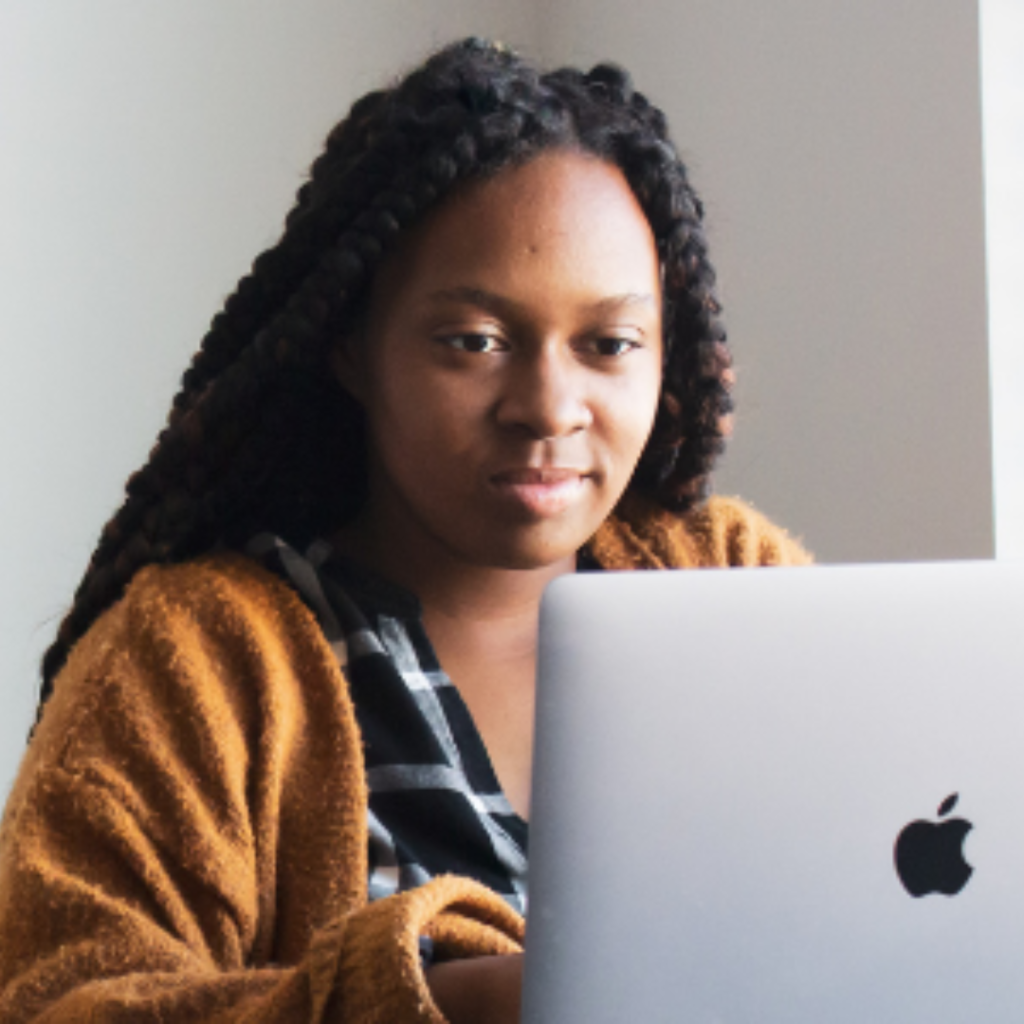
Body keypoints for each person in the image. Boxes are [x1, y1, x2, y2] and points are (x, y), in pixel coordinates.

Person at [0, 37, 810, 1024]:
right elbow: (60, 1003)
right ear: (352, 345)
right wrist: (455, 1004)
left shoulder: (735, 586)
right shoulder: (193, 657)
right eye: (474, 341)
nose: (549, 406)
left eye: (608, 344)